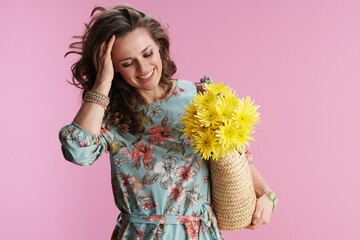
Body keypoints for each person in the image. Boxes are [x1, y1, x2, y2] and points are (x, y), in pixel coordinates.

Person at [58, 5, 277, 239]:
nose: (143, 68)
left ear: (159, 46)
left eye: (147, 53)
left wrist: (266, 196)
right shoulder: (109, 114)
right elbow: (78, 152)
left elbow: (237, 157)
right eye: (127, 63)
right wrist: (102, 83)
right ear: (113, 67)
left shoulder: (202, 97)